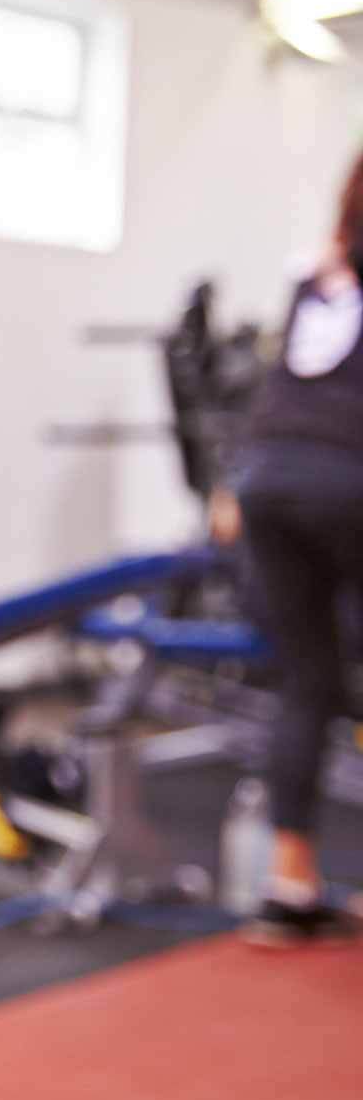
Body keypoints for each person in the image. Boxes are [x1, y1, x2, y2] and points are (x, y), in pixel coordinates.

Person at [211, 147, 363, 946]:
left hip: (269, 483)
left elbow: (279, 393)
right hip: (345, 482)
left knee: (309, 679)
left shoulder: (314, 278)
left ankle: (289, 884)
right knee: (325, 672)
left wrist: (232, 485)